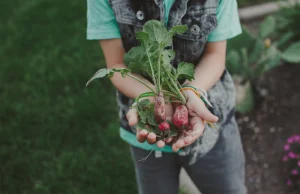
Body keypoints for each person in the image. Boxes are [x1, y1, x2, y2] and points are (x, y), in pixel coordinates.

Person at [87, 0, 246, 193]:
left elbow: (215, 55)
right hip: (147, 125)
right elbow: (117, 64)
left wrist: (190, 92)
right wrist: (155, 96)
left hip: (210, 123)